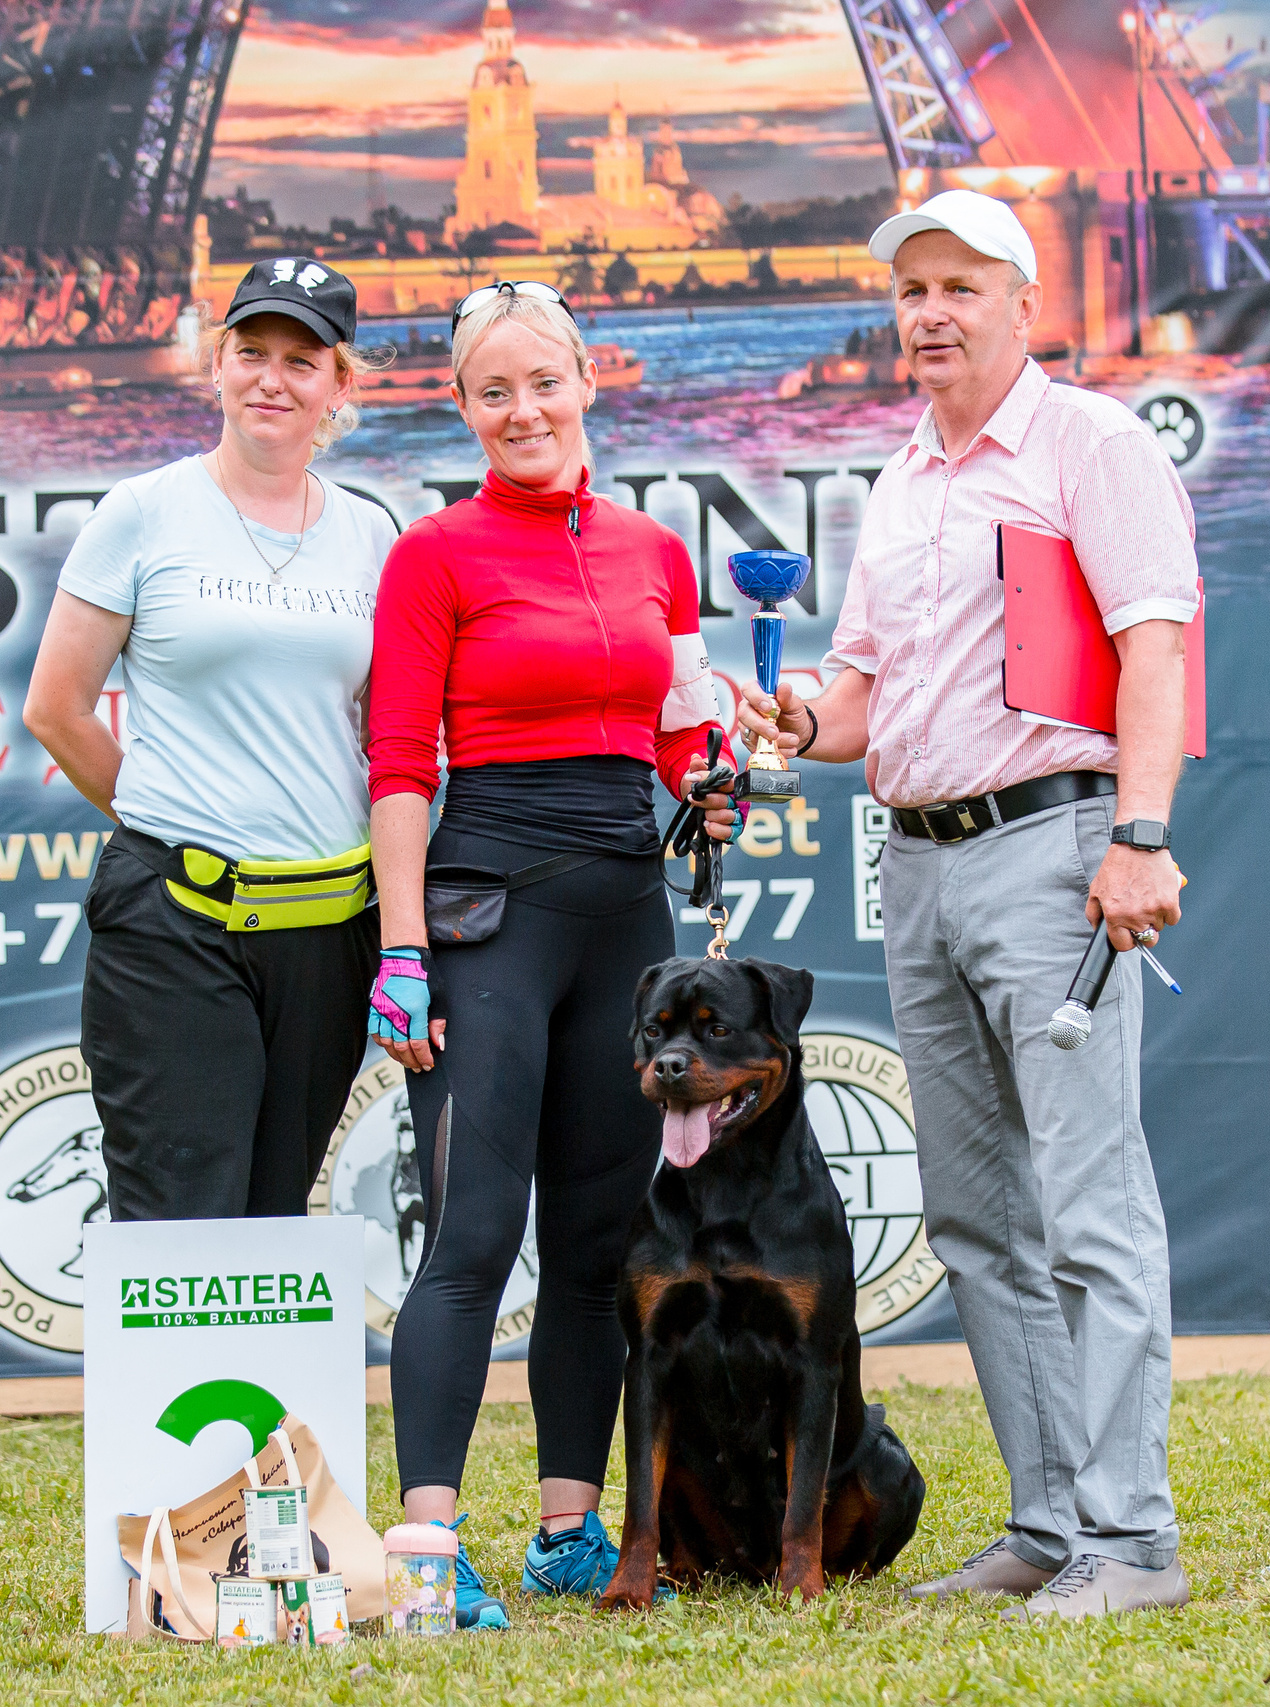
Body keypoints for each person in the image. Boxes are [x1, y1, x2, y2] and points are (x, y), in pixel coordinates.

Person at [739, 190, 1198, 1618]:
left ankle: (1136, 1541)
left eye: (957, 286)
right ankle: (1051, 1521)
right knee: (978, 1216)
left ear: (1022, 300)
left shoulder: (1093, 445)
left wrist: (1141, 835)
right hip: (918, 861)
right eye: (909, 289)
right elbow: (861, 695)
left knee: (1090, 1207)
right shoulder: (904, 479)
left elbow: (1157, 649)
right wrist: (790, 713)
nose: (927, 310)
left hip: (1057, 852)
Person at [365, 281, 738, 1628]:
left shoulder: (655, 548)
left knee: (595, 1241)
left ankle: (570, 1530)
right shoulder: (436, 555)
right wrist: (401, 948)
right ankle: (426, 1546)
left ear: (590, 380)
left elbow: (682, 730)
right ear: (460, 407)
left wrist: (719, 772)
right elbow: (402, 761)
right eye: (494, 389)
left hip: (626, 923)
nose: (524, 409)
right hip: (486, 922)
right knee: (471, 1234)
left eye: (545, 381)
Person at [23, 258, 396, 1223]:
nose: (273, 378)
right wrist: (167, 819)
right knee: (181, 1220)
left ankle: (262, 1387)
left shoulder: (375, 535)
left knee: (274, 1218)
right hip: (177, 925)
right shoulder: (144, 512)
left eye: (302, 360)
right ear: (215, 366)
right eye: (251, 352)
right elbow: (58, 708)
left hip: (330, 932)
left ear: (339, 385)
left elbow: (384, 734)